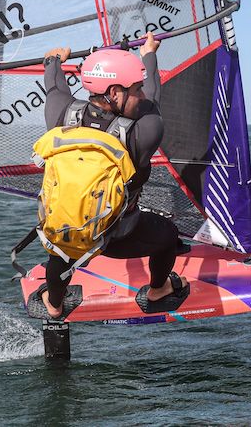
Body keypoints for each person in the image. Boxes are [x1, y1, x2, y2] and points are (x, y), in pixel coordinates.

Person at [37, 35, 189, 319]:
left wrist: (54, 59)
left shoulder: (59, 111)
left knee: (61, 250)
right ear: (116, 92)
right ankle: (159, 290)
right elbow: (154, 98)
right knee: (168, 234)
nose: (142, 95)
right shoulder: (145, 129)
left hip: (63, 232)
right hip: (117, 236)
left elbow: (54, 85)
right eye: (137, 89)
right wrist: (149, 55)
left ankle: (54, 303)